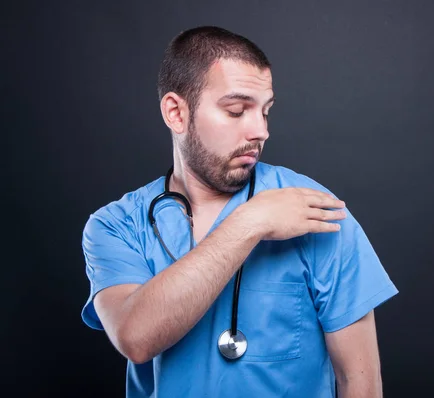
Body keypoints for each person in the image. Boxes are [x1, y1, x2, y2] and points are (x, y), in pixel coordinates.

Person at [80, 25, 398, 398]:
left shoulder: (314, 210)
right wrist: (251, 221)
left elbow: (360, 381)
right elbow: (135, 338)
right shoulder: (115, 226)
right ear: (176, 113)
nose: (260, 130)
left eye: (265, 111)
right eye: (236, 110)